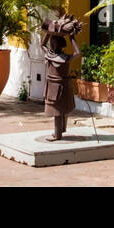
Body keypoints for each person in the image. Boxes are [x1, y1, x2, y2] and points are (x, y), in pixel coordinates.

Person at [41, 14, 83, 142]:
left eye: (53, 43)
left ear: (57, 45)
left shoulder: (62, 58)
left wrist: (71, 37)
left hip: (61, 86)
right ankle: (60, 131)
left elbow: (78, 53)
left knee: (59, 111)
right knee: (59, 111)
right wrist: (49, 32)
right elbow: (42, 44)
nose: (51, 44)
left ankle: (58, 134)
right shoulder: (53, 55)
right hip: (54, 86)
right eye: (51, 43)